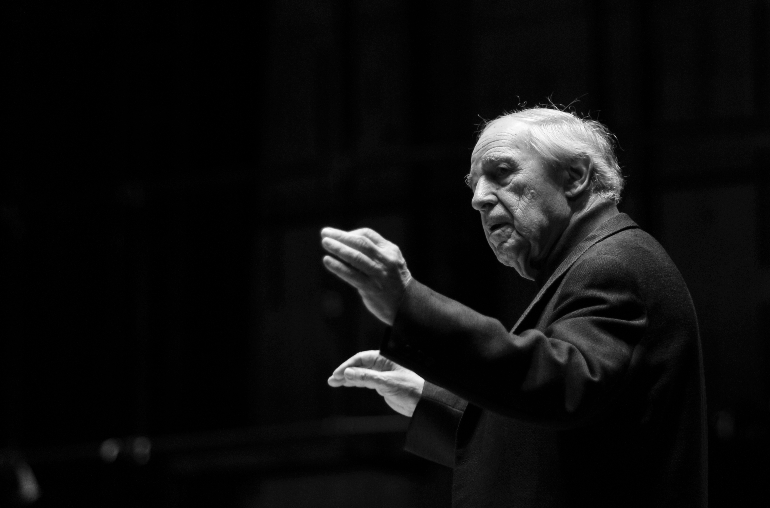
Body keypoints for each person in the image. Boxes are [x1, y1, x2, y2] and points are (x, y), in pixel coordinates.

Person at [320, 107, 707, 507]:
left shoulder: (614, 264)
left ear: (575, 177)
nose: (478, 199)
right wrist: (430, 399)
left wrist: (409, 303)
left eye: (502, 172)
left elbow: (560, 390)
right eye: (474, 184)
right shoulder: (596, 263)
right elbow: (554, 435)